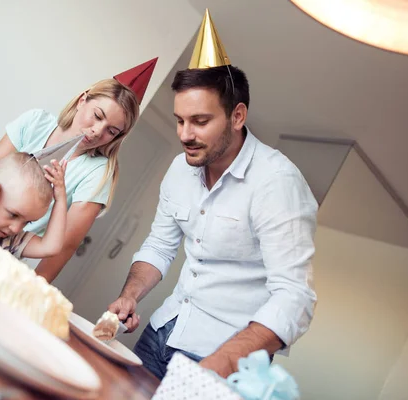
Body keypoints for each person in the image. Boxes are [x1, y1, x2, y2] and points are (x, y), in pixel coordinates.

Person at [107, 11, 318, 380]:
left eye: (200, 121)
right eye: (179, 120)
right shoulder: (179, 169)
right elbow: (159, 246)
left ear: (237, 117)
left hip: (221, 358)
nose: (185, 134)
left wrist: (218, 365)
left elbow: (295, 298)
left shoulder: (276, 182)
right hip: (160, 333)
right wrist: (131, 295)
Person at [0, 58, 158, 281]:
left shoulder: (98, 173)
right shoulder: (35, 122)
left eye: (111, 131)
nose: (97, 131)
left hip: (0, 262)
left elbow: (64, 246)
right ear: (82, 100)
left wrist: (31, 290)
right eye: (97, 116)